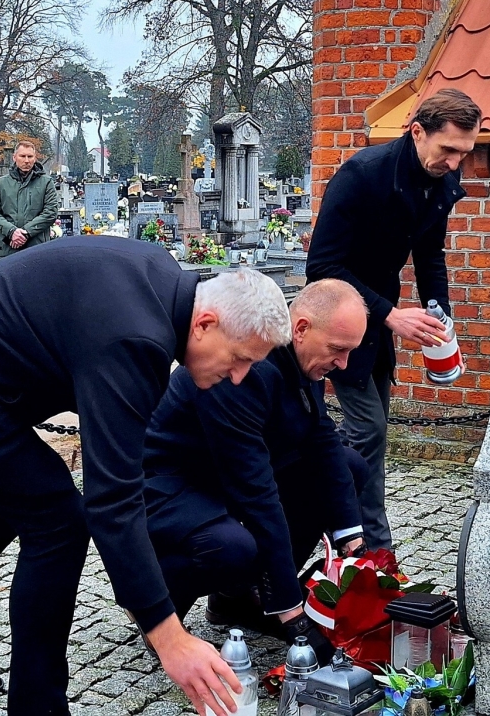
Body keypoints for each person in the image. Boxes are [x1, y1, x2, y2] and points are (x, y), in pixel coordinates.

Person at [0, 244, 291, 716]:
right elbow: (113, 501)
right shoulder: (137, 338)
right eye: (239, 359)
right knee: (58, 524)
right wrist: (169, 636)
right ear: (206, 323)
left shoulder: (160, 283)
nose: (239, 377)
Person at [142, 279, 370, 660]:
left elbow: (320, 438)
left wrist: (354, 540)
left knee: (350, 467)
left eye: (350, 352)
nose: (343, 364)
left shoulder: (301, 358)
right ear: (300, 330)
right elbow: (257, 493)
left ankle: (241, 599)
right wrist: (292, 612)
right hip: (173, 484)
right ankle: (157, 611)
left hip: (231, 470)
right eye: (337, 350)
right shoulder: (246, 367)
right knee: (233, 548)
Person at [305, 88, 481, 552]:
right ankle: (364, 545)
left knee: (370, 434)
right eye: (448, 150)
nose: (455, 163)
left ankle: (347, 530)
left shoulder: (439, 181)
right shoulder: (361, 175)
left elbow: (429, 255)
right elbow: (321, 266)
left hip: (379, 322)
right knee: (366, 431)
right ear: (417, 132)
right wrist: (390, 315)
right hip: (338, 324)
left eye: (465, 153)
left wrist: (438, 307)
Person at [0, 138, 59, 256]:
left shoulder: (46, 182)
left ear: (35, 158)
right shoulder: (2, 183)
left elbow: (50, 212)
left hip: (36, 247)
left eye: (30, 157)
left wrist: (26, 232)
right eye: (22, 156)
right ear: (14, 157)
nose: (26, 161)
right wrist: (11, 231)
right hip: (8, 248)